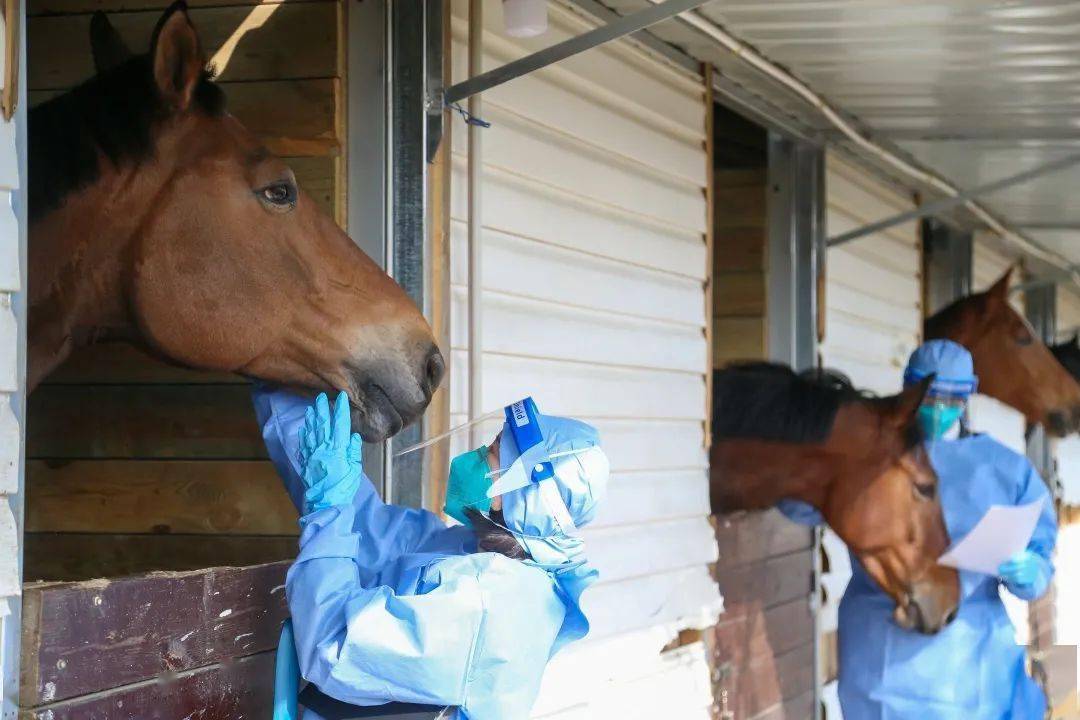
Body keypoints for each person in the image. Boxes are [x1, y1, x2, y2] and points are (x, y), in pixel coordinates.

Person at [254, 387, 609, 719]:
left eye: (493, 451)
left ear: (519, 494)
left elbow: (332, 645)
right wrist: (276, 388)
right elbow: (375, 531)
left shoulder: (487, 604)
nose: (480, 456)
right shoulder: (480, 556)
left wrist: (328, 510)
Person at [779, 339, 1057, 719]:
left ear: (968, 397)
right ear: (910, 390)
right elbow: (800, 505)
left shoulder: (1004, 469)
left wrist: (1030, 572)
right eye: (930, 397)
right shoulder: (868, 457)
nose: (940, 410)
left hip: (974, 655)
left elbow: (1039, 550)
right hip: (882, 650)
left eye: (952, 400)